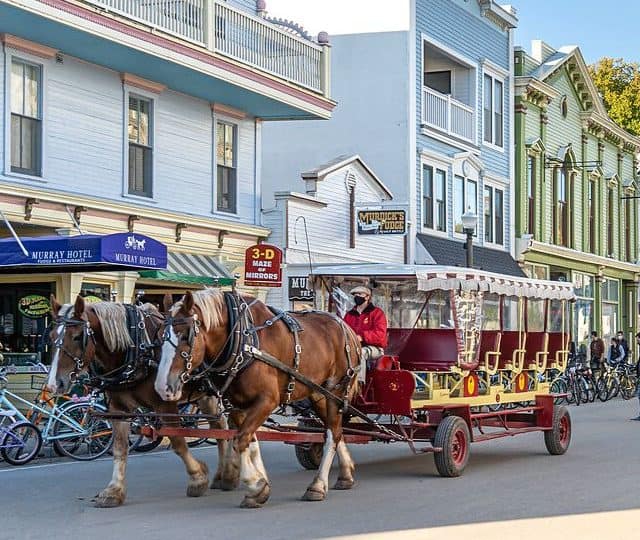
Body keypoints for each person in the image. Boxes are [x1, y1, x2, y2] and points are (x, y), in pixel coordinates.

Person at [343, 286, 388, 382]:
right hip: (351, 347)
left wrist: (362, 337)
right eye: (355, 295)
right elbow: (343, 331)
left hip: (375, 349)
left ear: (367, 297)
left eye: (360, 294)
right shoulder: (349, 315)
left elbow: (380, 335)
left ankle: (358, 384)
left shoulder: (377, 313)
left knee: (361, 353)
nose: (357, 296)